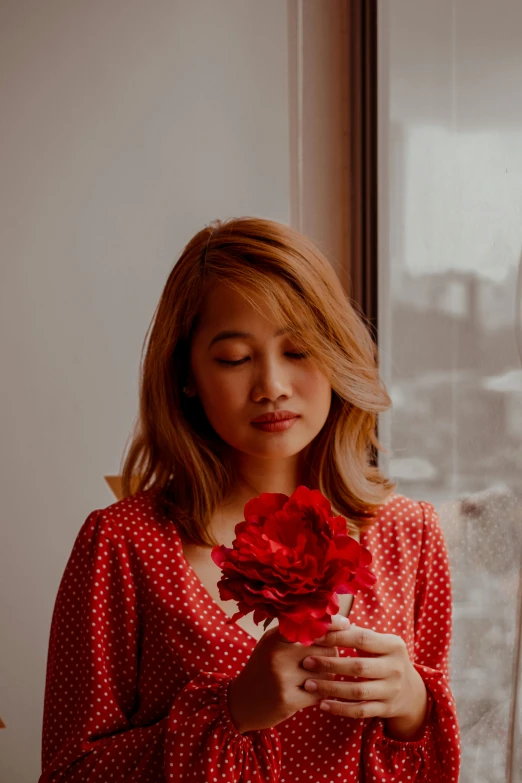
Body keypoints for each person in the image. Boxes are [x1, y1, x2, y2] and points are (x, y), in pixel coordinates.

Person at [39, 216, 461, 781]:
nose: (272, 386)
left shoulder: (410, 533)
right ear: (186, 373)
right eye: (235, 358)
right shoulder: (121, 544)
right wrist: (231, 713)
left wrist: (412, 707)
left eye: (300, 350)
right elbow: (70, 772)